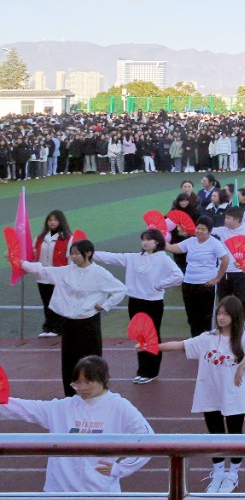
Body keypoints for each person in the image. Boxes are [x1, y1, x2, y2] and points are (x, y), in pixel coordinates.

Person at [153, 296, 245, 494]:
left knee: (235, 436)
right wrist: (153, 347)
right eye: (219, 313)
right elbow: (181, 345)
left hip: (233, 395)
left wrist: (243, 366)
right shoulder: (207, 338)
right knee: (215, 436)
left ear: (235, 316)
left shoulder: (244, 339)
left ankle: (233, 474)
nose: (221, 317)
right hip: (209, 394)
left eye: (225, 314)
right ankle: (218, 474)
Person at [0, 356, 153, 494]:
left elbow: (148, 439)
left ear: (104, 379)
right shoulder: (63, 407)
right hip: (59, 491)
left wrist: (120, 468)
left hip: (100, 492)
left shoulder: (120, 407)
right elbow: (25, 408)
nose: (82, 387)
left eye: (88, 382)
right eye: (77, 382)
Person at [20, 239, 126, 397]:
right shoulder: (67, 271)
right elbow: (42, 271)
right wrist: (20, 263)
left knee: (91, 361)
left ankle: (95, 394)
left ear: (88, 253)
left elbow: (120, 289)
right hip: (69, 323)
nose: (74, 257)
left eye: (77, 253)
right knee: (69, 362)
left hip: (89, 323)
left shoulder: (99, 273)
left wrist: (105, 305)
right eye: (72, 254)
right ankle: (70, 396)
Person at [94, 229, 184, 384]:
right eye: (143, 239)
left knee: (152, 336)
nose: (145, 242)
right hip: (135, 302)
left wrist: (159, 285)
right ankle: (142, 370)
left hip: (153, 303)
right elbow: (112, 258)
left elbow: (178, 275)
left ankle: (152, 371)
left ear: (157, 242)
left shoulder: (162, 258)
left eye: (149, 239)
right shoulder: (134, 258)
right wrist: (91, 253)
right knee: (140, 336)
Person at [165, 216, 230, 338]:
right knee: (192, 316)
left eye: (203, 229)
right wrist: (160, 240)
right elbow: (174, 248)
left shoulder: (215, 243)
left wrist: (217, 278)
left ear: (209, 231)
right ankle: (195, 340)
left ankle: (207, 340)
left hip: (206, 284)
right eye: (198, 228)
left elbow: (225, 260)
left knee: (206, 316)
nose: (199, 231)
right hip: (189, 283)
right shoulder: (190, 241)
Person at [33, 210, 71, 338]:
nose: (52, 222)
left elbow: (70, 258)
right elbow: (32, 254)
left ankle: (58, 328)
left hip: (59, 276)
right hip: (42, 276)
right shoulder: (40, 238)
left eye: (55, 220)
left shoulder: (67, 238)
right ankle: (48, 327)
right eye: (50, 220)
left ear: (61, 221)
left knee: (58, 303)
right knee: (47, 302)